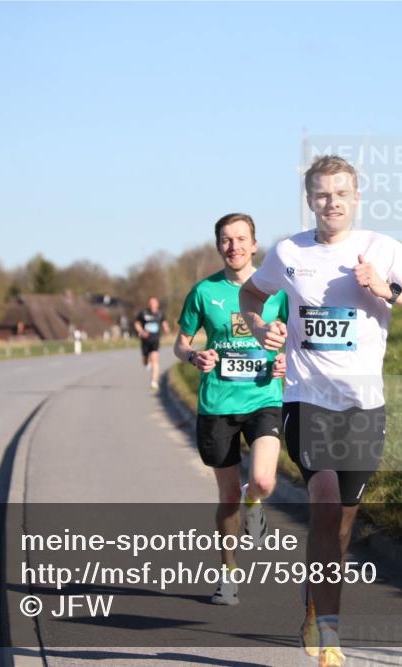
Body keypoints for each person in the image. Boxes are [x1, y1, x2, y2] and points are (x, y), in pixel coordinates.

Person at [240, 155, 402, 666]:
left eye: (340, 193)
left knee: (340, 528)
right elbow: (252, 294)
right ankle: (331, 637)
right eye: (321, 194)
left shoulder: (382, 249)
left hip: (365, 407)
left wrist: (389, 290)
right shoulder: (288, 252)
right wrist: (257, 326)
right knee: (327, 502)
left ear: (356, 197)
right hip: (306, 399)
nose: (331, 202)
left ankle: (315, 606)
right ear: (310, 200)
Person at [174, 212, 288, 606]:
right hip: (218, 403)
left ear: (255, 245)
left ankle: (256, 502)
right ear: (218, 245)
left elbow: (295, 342)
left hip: (264, 398)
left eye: (241, 239)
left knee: (264, 480)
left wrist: (285, 360)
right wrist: (194, 357)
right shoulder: (204, 292)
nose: (234, 246)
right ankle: (228, 575)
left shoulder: (280, 292)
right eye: (226, 239)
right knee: (226, 499)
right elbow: (180, 343)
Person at [134, 297, 170, 391]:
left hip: (155, 340)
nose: (152, 304)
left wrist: (166, 328)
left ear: (157, 304)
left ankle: (154, 382)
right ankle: (147, 362)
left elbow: (164, 322)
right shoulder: (143, 313)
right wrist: (141, 331)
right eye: (150, 303)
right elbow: (137, 324)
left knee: (155, 359)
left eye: (154, 303)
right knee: (145, 361)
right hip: (145, 340)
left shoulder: (160, 313)